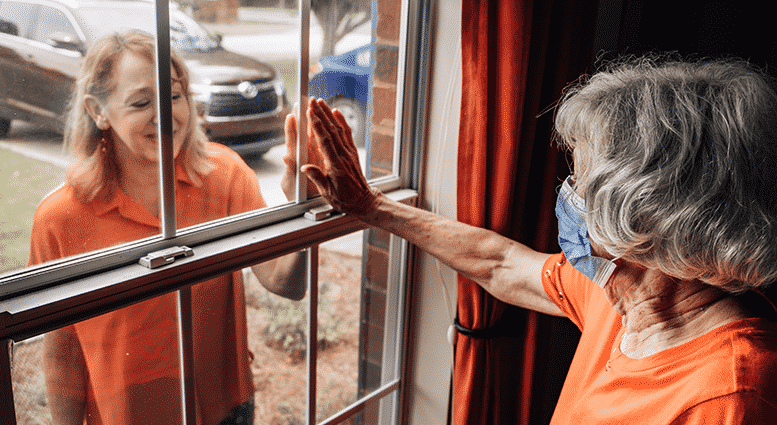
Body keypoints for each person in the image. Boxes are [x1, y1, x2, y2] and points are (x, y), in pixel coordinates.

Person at [299, 57, 777, 424]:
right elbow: (500, 263)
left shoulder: (732, 395)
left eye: (581, 182)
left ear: (646, 218)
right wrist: (372, 207)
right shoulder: (621, 289)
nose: (567, 196)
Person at [29, 30, 307, 425]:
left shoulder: (225, 175)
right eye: (142, 102)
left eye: (174, 96)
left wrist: (305, 208)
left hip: (222, 410)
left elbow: (287, 284)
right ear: (98, 111)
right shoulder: (59, 217)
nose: (166, 115)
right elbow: (62, 351)